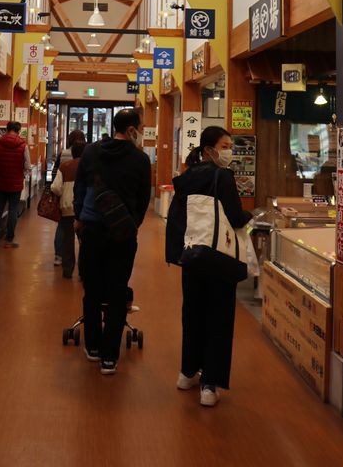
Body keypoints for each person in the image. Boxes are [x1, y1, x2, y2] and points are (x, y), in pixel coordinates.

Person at [168, 126, 252, 408]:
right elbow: (236, 218)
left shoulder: (186, 177)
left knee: (192, 312)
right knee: (218, 317)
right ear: (208, 150)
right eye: (225, 146)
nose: (229, 151)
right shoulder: (222, 177)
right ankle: (209, 385)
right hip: (218, 258)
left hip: (192, 257)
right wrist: (252, 214)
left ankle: (187, 373)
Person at [74, 108, 151, 375]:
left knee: (92, 289)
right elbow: (143, 199)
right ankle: (110, 357)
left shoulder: (91, 152)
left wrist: (79, 216)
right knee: (117, 291)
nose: (141, 132)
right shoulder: (140, 159)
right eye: (140, 127)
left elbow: (80, 188)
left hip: (92, 228)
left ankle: (92, 347)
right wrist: (132, 223)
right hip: (123, 234)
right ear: (131, 130)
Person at [0, 121, 31, 248]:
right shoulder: (23, 146)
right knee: (13, 210)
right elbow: (27, 165)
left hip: (0, 183)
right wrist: (21, 173)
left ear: (7, 130)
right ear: (18, 131)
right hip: (15, 184)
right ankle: (9, 239)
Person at [50, 139, 85, 279]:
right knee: (84, 241)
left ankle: (67, 270)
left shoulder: (65, 166)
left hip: (67, 207)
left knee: (67, 240)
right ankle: (83, 272)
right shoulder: (89, 167)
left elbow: (55, 187)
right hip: (83, 209)